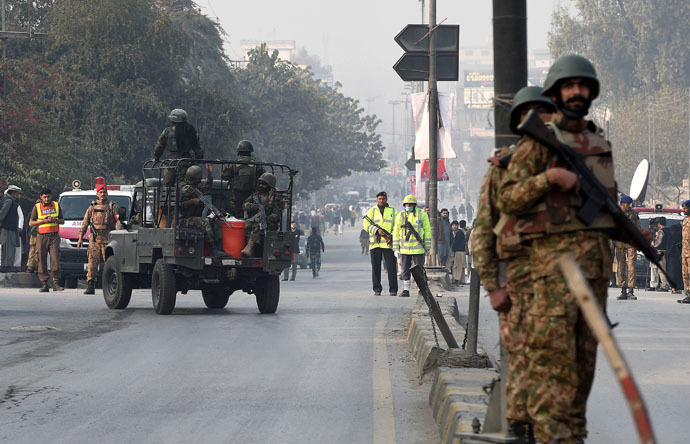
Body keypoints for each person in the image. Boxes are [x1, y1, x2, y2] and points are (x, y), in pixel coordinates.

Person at [497, 55, 647, 443]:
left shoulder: (599, 145)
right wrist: (549, 177)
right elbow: (509, 197)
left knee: (582, 378)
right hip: (553, 276)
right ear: (556, 92)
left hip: (594, 277)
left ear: (591, 92)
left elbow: (605, 209)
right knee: (553, 381)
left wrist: (627, 232)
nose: (577, 92)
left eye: (583, 86)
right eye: (569, 86)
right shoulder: (538, 143)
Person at [472, 85, 556, 441]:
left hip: (563, 290)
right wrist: (492, 286)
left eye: (547, 112)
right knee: (521, 367)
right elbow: (483, 232)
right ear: (520, 121)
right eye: (533, 114)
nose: (542, 120)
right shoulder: (502, 169)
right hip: (520, 287)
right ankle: (522, 431)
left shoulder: (568, 164)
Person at [77, 183, 123, 294]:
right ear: (97, 194)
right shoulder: (92, 208)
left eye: (104, 192)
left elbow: (119, 221)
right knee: (92, 264)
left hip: (108, 241)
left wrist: (119, 233)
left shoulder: (112, 207)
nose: (103, 194)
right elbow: (85, 223)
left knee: (111, 265)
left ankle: (114, 285)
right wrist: (80, 238)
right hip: (95, 240)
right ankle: (90, 285)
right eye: (101, 192)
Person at [179, 165, 224, 256]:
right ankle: (212, 249)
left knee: (215, 221)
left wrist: (210, 175)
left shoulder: (195, 187)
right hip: (183, 220)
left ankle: (219, 248)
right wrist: (192, 201)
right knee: (205, 222)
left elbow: (206, 189)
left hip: (194, 218)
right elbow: (178, 205)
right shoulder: (184, 188)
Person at [393, 195, 431, 298]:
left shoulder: (421, 214)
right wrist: (396, 248)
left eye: (410, 204)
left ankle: (421, 289)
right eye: (406, 205)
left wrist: (427, 247)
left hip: (418, 248)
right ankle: (406, 290)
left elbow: (427, 231)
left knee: (419, 269)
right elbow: (396, 232)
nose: (408, 206)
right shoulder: (400, 215)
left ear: (414, 205)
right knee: (405, 269)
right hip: (404, 249)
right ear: (404, 205)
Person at [153, 108, 203, 185]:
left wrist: (156, 158)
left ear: (172, 120)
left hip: (170, 163)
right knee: (184, 185)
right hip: (186, 162)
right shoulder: (191, 130)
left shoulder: (167, 131)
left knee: (167, 186)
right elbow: (197, 147)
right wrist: (199, 157)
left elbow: (160, 146)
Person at [363, 191, 398, 296]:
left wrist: (391, 236)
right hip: (375, 244)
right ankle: (377, 289)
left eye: (383, 198)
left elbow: (397, 225)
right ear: (377, 199)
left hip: (388, 244)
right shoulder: (372, 211)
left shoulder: (393, 211)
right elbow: (366, 224)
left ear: (386, 199)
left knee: (391, 267)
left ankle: (393, 289)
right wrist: (376, 231)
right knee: (376, 268)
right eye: (379, 199)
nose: (381, 200)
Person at [29, 188, 64, 292]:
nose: (46, 198)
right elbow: (31, 222)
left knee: (55, 259)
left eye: (48, 196)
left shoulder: (56, 205)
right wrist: (42, 221)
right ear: (41, 197)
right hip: (41, 236)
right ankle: (44, 283)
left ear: (51, 196)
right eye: (44, 197)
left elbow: (62, 221)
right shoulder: (37, 207)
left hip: (54, 236)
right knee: (41, 259)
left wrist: (55, 220)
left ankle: (56, 282)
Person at [241, 173, 282, 257]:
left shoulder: (275, 199)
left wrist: (264, 218)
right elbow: (244, 205)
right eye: (260, 183)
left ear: (269, 186)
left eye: (263, 184)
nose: (261, 186)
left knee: (258, 226)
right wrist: (256, 207)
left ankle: (249, 248)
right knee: (242, 225)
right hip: (253, 220)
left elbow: (277, 216)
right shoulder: (255, 196)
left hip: (268, 224)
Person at [221, 140, 265, 218]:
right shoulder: (256, 165)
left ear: (239, 152)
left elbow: (224, 177)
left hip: (236, 197)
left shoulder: (234, 164)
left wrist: (226, 169)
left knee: (236, 216)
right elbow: (263, 177)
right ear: (250, 152)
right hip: (252, 196)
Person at [616, 195, 641, 300]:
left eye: (629, 204)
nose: (628, 206)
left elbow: (638, 228)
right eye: (626, 204)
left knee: (631, 266)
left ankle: (631, 290)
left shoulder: (634, 214)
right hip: (619, 244)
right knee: (621, 267)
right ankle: (623, 290)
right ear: (622, 203)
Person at [0, 185, 22, 272]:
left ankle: (5, 265)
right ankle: (7, 266)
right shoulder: (9, 201)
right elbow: (2, 214)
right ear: (13, 192)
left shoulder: (8, 200)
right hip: (8, 228)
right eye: (16, 192)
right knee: (9, 247)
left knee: (7, 247)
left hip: (8, 227)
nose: (17, 194)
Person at [652, 217, 670, 291]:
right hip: (667, 251)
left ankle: (664, 285)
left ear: (659, 224)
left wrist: (652, 244)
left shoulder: (660, 231)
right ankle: (666, 284)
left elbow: (658, 243)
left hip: (660, 252)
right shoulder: (668, 230)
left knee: (661, 270)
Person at [450, 221, 467, 285]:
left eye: (456, 225)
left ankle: (457, 279)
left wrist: (454, 250)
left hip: (459, 251)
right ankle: (461, 280)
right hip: (460, 251)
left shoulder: (459, 233)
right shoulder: (458, 232)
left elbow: (456, 243)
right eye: (453, 225)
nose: (455, 226)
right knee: (460, 266)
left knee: (457, 266)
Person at [679, 200, 690, 303]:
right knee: (685, 273)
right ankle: (688, 293)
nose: (684, 210)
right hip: (685, 252)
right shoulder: (685, 220)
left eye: (685, 208)